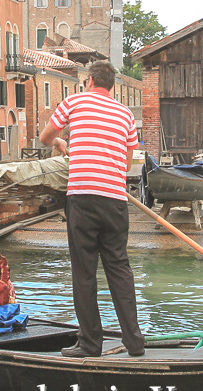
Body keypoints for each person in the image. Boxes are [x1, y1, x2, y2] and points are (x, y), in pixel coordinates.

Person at [39, 60, 146, 358]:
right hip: (114, 199)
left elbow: (45, 137)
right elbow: (126, 164)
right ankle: (135, 343)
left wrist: (62, 143)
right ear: (112, 86)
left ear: (89, 81)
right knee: (119, 269)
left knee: (84, 272)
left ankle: (90, 343)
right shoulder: (125, 114)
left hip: (83, 198)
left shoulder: (74, 102)